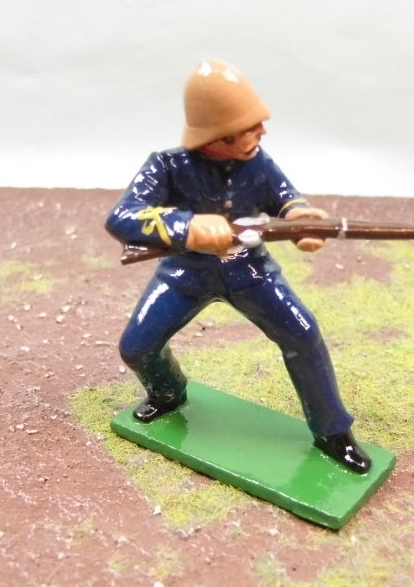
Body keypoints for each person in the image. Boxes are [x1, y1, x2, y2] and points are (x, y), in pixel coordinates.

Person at [105, 59, 371, 473]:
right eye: (249, 127)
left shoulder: (257, 162)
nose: (261, 132)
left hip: (251, 272)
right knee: (137, 347)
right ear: (219, 134)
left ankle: (332, 431)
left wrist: (300, 221)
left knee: (303, 335)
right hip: (185, 274)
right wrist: (187, 226)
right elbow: (122, 217)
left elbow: (286, 200)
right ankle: (167, 392)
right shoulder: (166, 165)